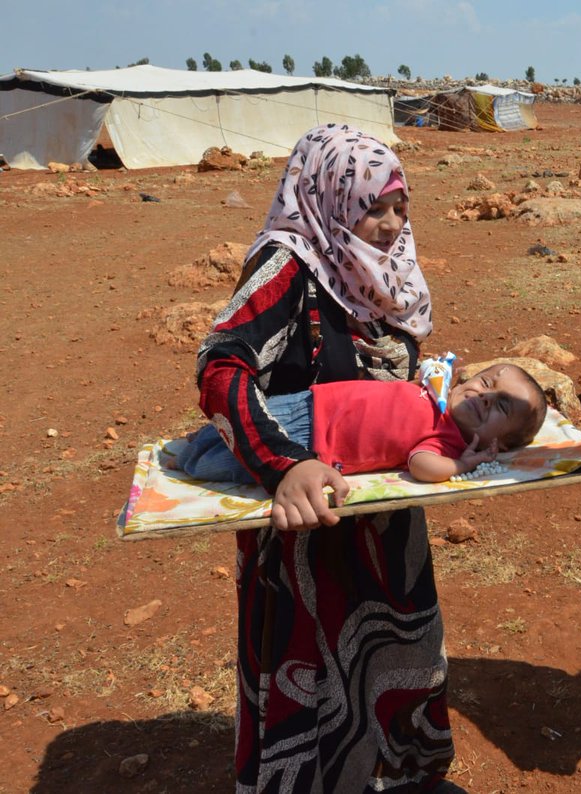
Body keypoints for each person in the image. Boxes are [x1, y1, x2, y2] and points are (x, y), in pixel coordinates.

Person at [195, 123, 464, 792]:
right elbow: (221, 371)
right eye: (373, 206)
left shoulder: (388, 271)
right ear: (328, 196)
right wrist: (286, 467)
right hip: (303, 522)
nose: (389, 222)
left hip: (382, 514)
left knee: (397, 649)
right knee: (307, 667)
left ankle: (400, 778)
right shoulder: (289, 265)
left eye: (399, 205)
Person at [173, 362, 547, 484]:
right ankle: (203, 437)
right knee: (243, 419)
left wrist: (463, 464)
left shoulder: (447, 440)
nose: (484, 396)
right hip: (313, 401)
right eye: (486, 382)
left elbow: (421, 466)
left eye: (501, 406)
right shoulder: (440, 394)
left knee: (213, 463)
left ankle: (191, 459)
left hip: (314, 445)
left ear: (499, 445)